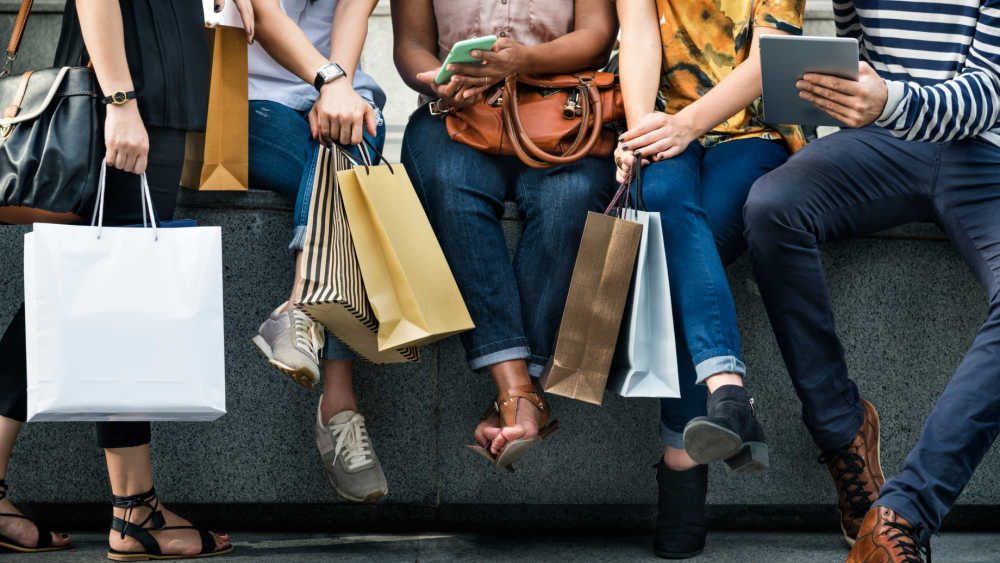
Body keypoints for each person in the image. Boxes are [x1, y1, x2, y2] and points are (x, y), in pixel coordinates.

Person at [741, 0, 1000, 558]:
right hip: (886, 142)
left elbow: (988, 94)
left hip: (988, 150)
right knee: (772, 206)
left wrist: (888, 100)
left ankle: (900, 517)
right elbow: (850, 52)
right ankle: (842, 432)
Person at [0, 0, 252, 558]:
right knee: (115, 297)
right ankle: (134, 512)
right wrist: (120, 98)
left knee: (78, 297)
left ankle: (134, 510)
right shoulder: (125, 96)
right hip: (129, 88)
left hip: (142, 88)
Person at [390, 0, 617, 470]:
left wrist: (524, 60)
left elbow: (597, 36)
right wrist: (439, 80)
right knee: (452, 191)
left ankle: (515, 397)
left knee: (569, 202)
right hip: (456, 114)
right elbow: (411, 45)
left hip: (562, 112)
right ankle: (518, 391)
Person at [613, 0, 804, 557]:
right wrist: (639, 132)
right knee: (668, 199)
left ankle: (681, 463)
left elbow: (772, 56)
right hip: (662, 126)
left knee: (681, 248)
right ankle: (729, 396)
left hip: (754, 134)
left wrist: (686, 124)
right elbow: (639, 34)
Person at [247, 0, 389, 503]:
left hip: (335, 89)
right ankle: (339, 405)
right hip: (242, 96)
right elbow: (264, 16)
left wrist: (340, 89)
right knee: (350, 187)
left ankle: (300, 313)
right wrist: (329, 82)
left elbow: (352, 8)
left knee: (348, 140)